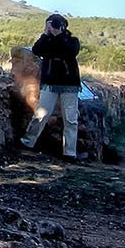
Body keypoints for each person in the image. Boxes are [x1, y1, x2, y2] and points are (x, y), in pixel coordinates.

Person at [24, 14, 84, 160]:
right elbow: (36, 50)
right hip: (50, 83)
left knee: (70, 119)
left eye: (54, 25)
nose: (52, 27)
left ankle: (69, 152)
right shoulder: (47, 40)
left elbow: (69, 52)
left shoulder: (72, 41)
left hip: (69, 84)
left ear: (63, 26)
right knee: (41, 114)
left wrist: (57, 35)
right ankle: (27, 142)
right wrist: (46, 34)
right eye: (49, 24)